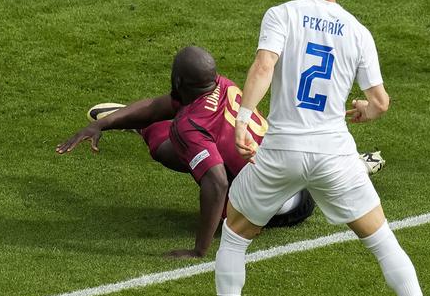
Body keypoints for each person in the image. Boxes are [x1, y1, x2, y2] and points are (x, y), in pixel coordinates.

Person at [198, 0, 430, 296]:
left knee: (234, 236)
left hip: (281, 149)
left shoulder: (281, 14)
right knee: (383, 242)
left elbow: (264, 65)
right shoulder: (358, 32)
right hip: (334, 154)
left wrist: (244, 119)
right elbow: (380, 102)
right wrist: (364, 110)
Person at [57, 46, 386, 258]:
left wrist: (200, 249)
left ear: (178, 80)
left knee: (170, 145)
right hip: (296, 169)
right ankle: (345, 168)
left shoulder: (188, 124)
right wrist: (104, 124)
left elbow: (215, 184)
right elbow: (161, 104)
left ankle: (142, 128)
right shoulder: (222, 84)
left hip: (285, 208)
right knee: (197, 137)